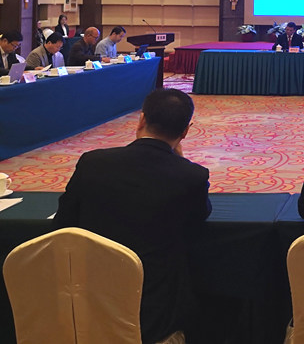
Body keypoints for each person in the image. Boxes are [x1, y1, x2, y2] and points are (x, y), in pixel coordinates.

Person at [54, 89, 211, 344]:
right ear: (185, 132)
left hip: (90, 310)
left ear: (141, 120)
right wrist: (181, 162)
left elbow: (63, 223)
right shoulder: (192, 176)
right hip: (156, 320)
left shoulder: (92, 163)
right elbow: (198, 218)